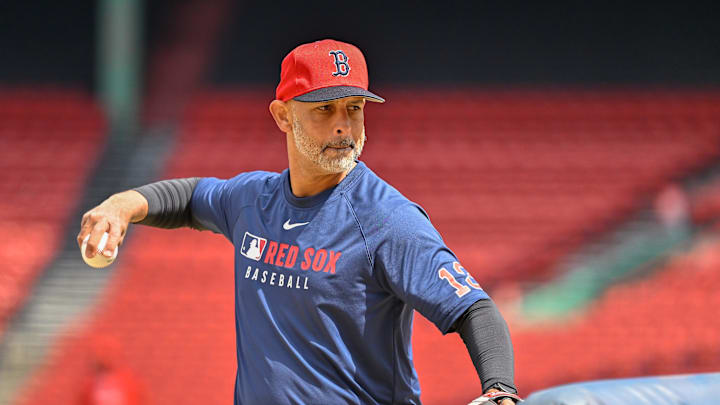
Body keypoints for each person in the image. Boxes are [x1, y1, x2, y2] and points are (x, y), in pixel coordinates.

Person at [77, 39, 520, 405]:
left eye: (354, 108)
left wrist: (500, 391)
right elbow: (189, 197)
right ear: (282, 115)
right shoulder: (252, 200)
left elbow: (473, 309)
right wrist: (121, 206)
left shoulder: (387, 219)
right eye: (324, 110)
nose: (344, 127)